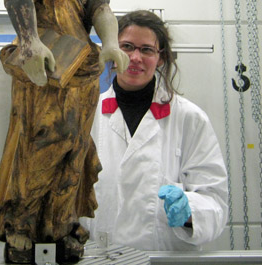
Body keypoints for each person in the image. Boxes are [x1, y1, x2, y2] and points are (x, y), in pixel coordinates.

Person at [0, 0, 129, 262]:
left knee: (76, 147)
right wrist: (29, 41)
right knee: (38, 143)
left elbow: (99, 7)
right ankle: (21, 223)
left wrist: (110, 42)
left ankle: (61, 223)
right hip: (41, 62)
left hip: (80, 64)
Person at [81, 10, 229, 251]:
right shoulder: (88, 115)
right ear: (112, 50)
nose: (135, 57)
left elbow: (215, 201)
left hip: (163, 257)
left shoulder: (190, 119)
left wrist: (190, 210)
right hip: (99, 255)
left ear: (160, 58)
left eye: (146, 49)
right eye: (126, 46)